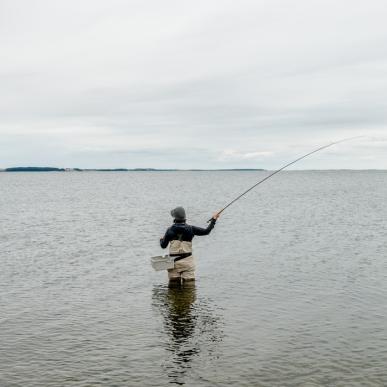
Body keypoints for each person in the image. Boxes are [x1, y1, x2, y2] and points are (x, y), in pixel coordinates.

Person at [160, 207, 220, 284]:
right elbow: (206, 231)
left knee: (173, 289)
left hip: (173, 264)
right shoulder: (191, 229)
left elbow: (163, 246)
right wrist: (214, 220)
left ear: (174, 217)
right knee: (189, 290)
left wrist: (161, 240)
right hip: (187, 263)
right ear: (184, 217)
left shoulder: (169, 230)